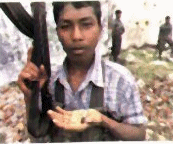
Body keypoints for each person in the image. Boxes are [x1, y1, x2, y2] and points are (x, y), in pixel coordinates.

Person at [17, 1, 146, 142]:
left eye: (86, 25)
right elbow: (38, 136)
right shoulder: (48, 80)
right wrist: (31, 98)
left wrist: (102, 120)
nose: (76, 36)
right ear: (58, 32)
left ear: (100, 29)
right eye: (65, 26)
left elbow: (139, 134)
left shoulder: (120, 80)